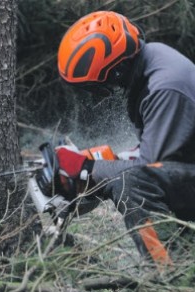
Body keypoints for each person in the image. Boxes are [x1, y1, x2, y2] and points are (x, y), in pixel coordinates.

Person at [55, 10, 195, 268]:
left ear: (116, 70)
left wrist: (90, 170)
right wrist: (99, 160)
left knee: (132, 184)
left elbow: (149, 172)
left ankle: (173, 273)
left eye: (96, 84)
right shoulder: (152, 61)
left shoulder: (163, 87)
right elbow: (163, 152)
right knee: (124, 174)